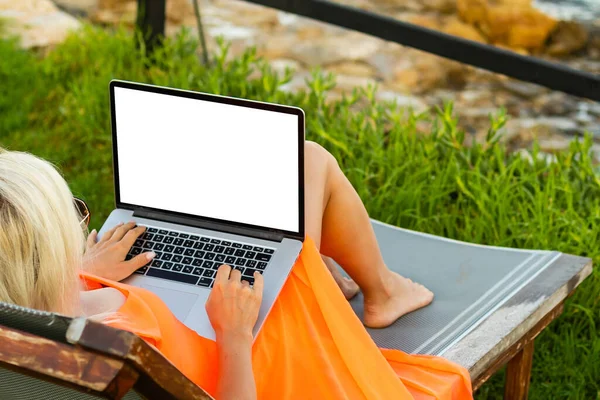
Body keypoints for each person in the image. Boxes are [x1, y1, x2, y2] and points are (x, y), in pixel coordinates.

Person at [0, 144, 471, 399]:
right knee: (309, 163)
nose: (84, 225)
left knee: (293, 212)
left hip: (209, 328)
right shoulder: (118, 349)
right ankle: (383, 292)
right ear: (45, 258)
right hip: (250, 348)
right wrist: (234, 333)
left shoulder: (25, 332)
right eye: (73, 220)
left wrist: (81, 271)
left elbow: (38, 295)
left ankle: (328, 273)